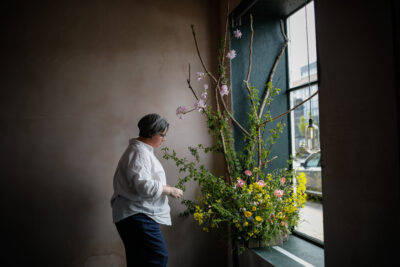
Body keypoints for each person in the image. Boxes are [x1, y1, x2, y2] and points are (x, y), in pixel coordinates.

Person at [111, 113, 183, 267]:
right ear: (152, 133)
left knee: (139, 261)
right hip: (137, 215)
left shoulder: (140, 151)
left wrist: (167, 188)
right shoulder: (139, 153)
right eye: (163, 135)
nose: (164, 139)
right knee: (157, 258)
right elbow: (144, 186)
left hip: (133, 215)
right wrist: (169, 190)